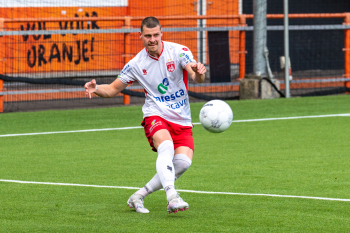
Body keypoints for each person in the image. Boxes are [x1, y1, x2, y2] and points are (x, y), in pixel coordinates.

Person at [84, 16, 206, 214]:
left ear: (161, 34)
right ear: (140, 36)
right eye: (148, 36)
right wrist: (96, 88)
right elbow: (113, 90)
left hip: (181, 118)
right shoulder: (135, 64)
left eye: (156, 35)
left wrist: (199, 71)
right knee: (165, 147)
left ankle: (139, 196)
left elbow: (195, 76)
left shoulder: (179, 51)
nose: (152, 39)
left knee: (182, 163)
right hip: (155, 114)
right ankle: (172, 196)